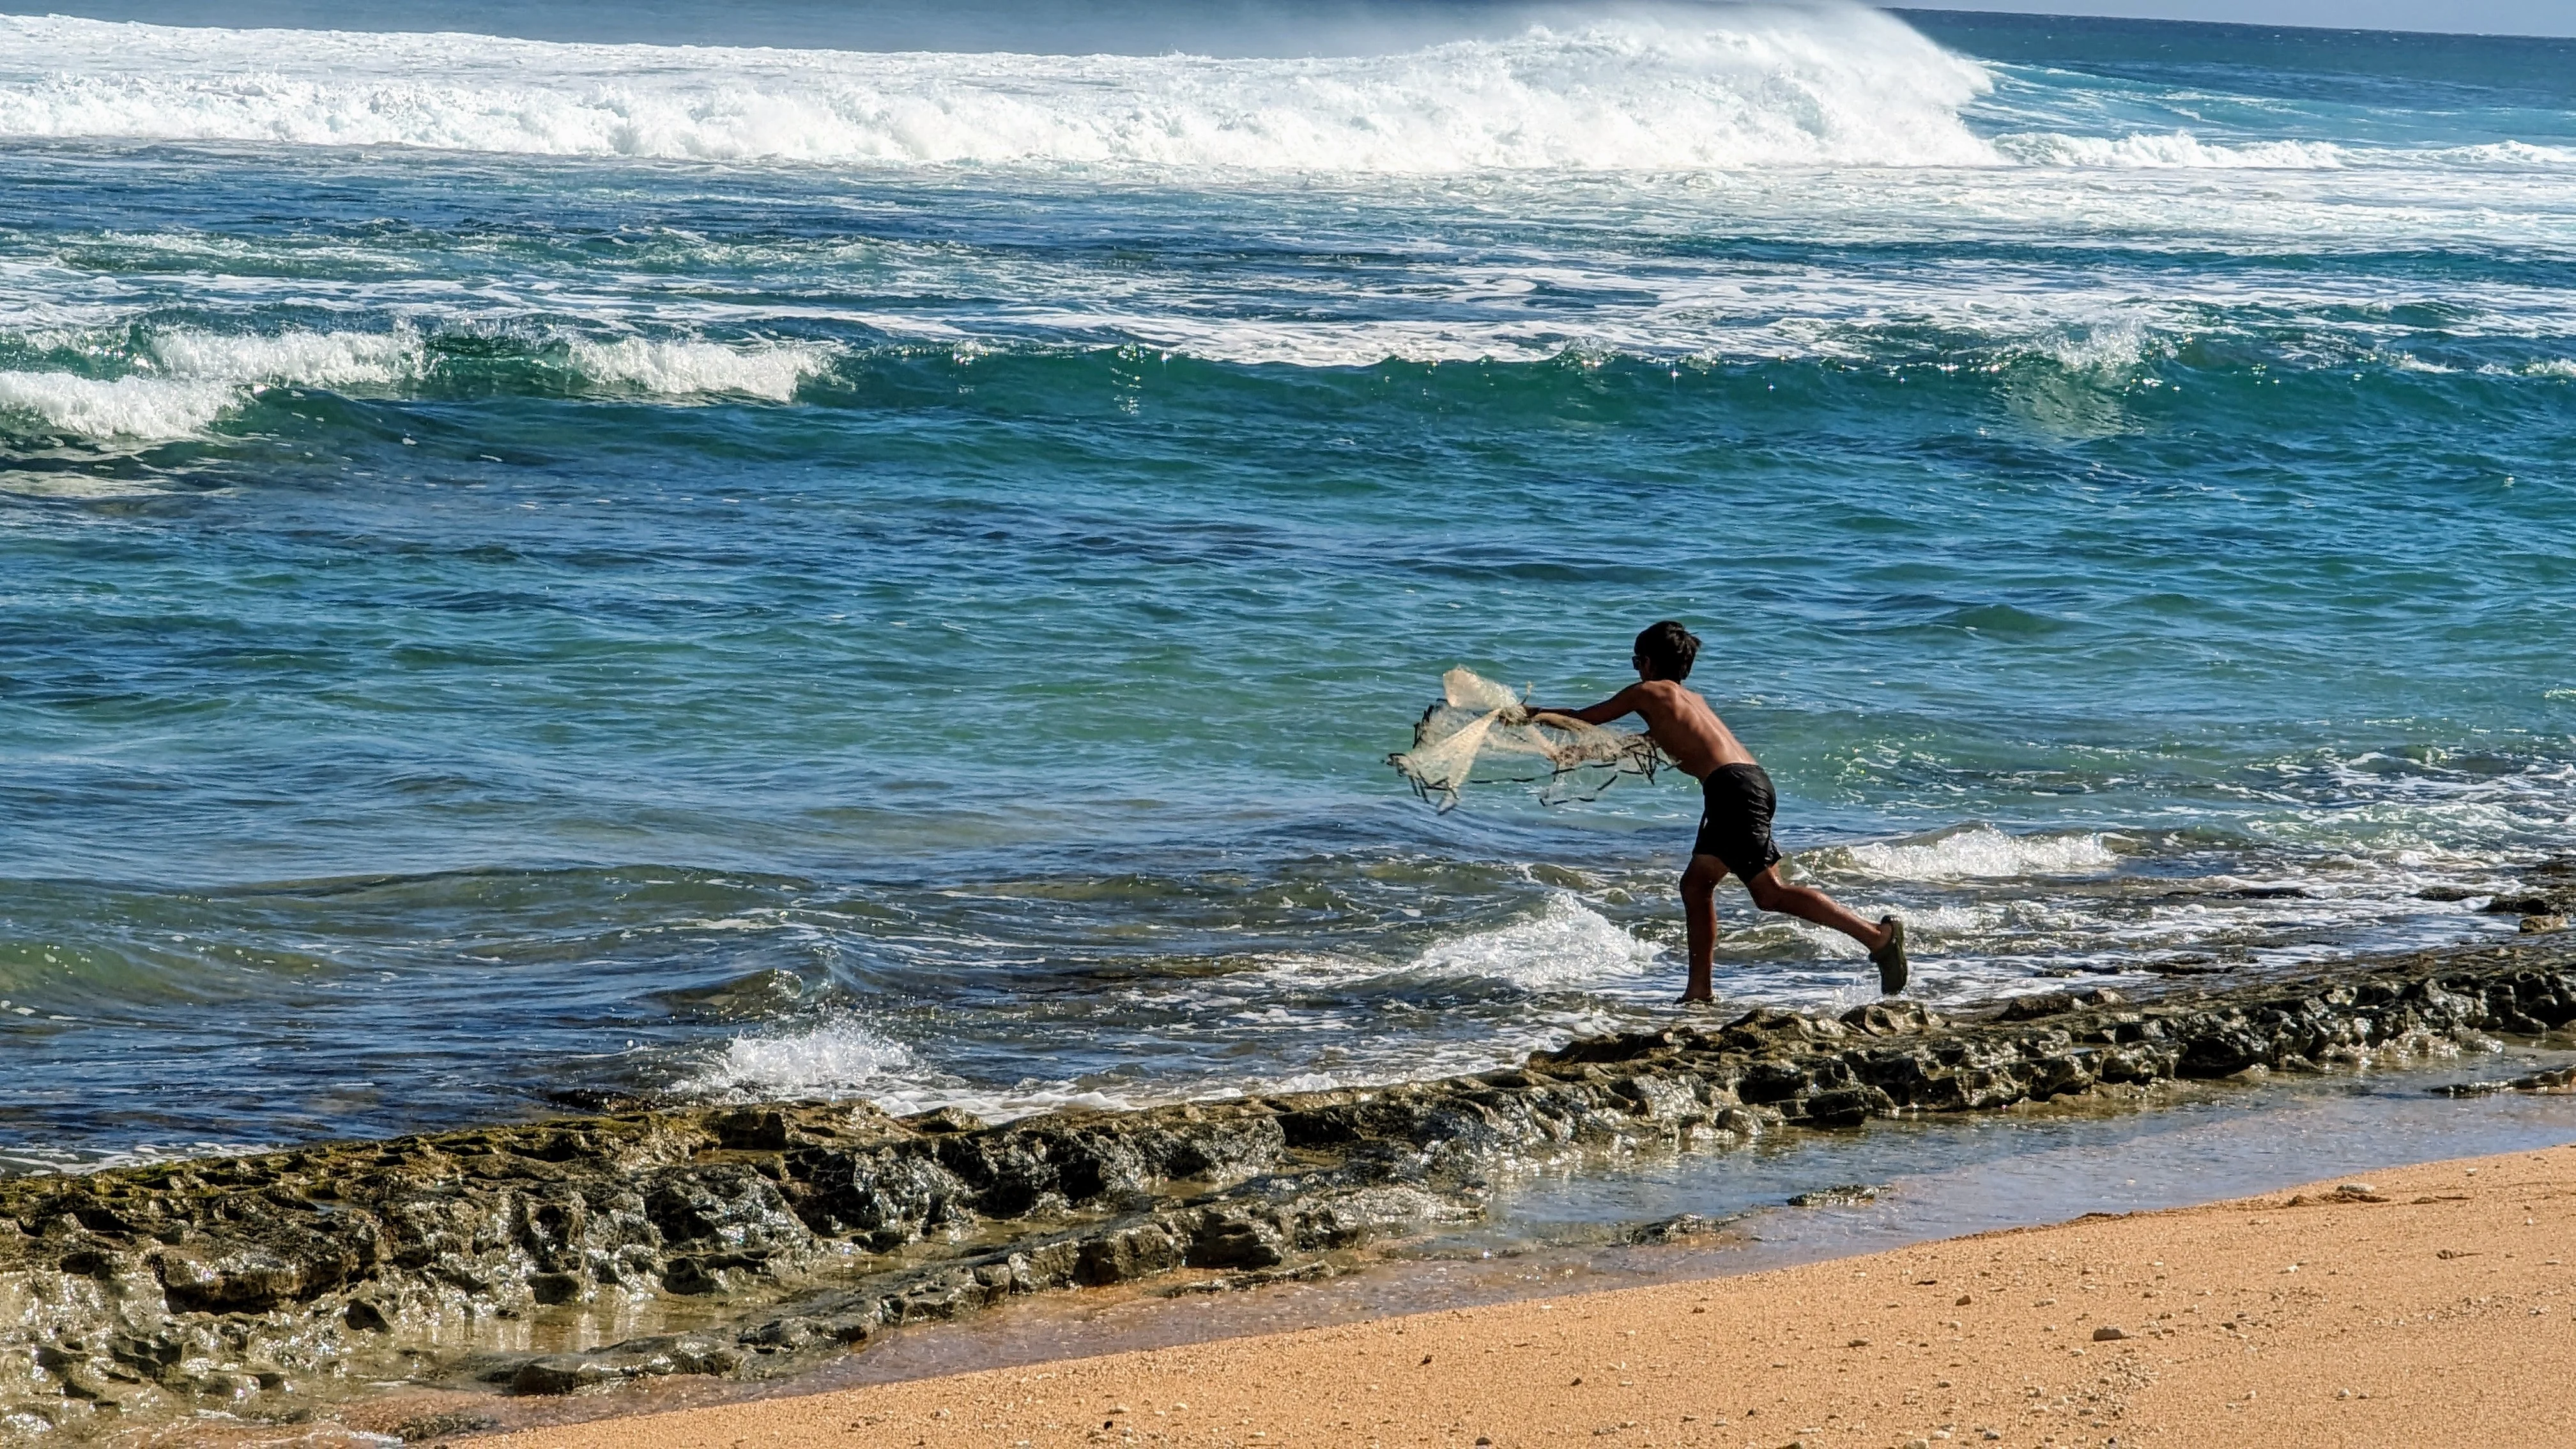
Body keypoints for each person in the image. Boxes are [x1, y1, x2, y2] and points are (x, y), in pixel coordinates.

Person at [1531, 620, 1907, 1002]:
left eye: (1635, 661)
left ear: (1647, 662)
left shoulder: (1649, 692)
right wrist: (1573, 755)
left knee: (1770, 894)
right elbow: (1642, 745)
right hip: (1748, 784)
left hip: (1731, 791)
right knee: (1696, 886)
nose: (1637, 670)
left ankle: (1877, 937)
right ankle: (1699, 992)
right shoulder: (1690, 702)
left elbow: (1583, 719)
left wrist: (1530, 716)